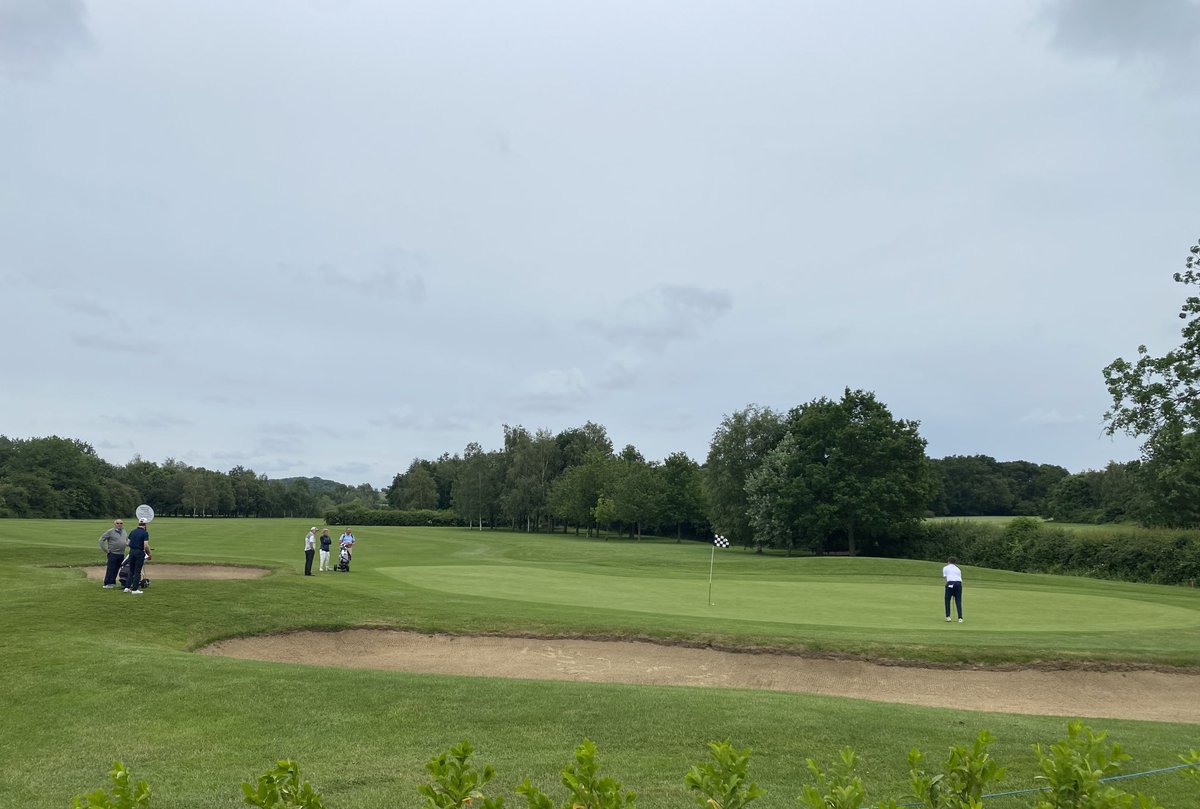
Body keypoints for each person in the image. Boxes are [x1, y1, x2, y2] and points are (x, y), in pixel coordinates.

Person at [98, 518, 128, 589]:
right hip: (113, 553)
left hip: (121, 553)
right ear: (115, 524)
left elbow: (126, 541)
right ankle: (107, 583)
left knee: (117, 568)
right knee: (111, 568)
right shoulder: (110, 531)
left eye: (121, 523)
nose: (119, 525)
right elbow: (101, 540)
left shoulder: (124, 531)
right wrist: (106, 550)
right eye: (117, 523)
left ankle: (113, 582)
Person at [125, 519, 151, 595]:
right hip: (139, 552)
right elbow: (146, 545)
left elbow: (128, 543)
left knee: (131, 570)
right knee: (137, 571)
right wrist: (149, 553)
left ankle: (127, 587)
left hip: (131, 552)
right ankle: (135, 589)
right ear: (145, 524)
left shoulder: (133, 531)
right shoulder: (145, 533)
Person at [943, 557, 963, 622]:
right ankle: (960, 618)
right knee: (958, 601)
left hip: (950, 583)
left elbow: (946, 578)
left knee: (947, 599)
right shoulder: (958, 569)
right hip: (959, 584)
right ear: (955, 562)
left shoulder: (945, 568)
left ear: (948, 562)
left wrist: (946, 585)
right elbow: (959, 578)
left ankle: (948, 617)